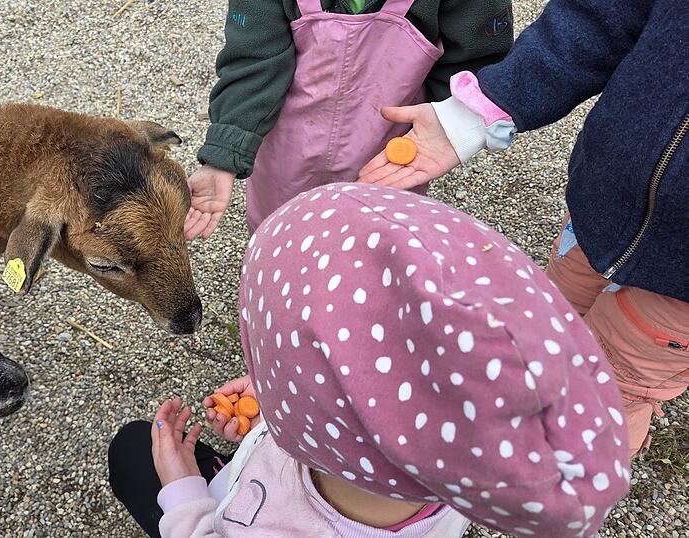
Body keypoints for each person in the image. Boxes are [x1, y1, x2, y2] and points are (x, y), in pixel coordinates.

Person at [110, 183, 630, 537]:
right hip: (279, 462)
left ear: (320, 419)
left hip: (224, 513)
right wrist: (272, 421)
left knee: (133, 451)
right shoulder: (462, 464)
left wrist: (183, 494)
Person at [358, 0, 689, 458]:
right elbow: (598, 16)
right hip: (600, 210)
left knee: (613, 390)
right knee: (548, 326)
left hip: (679, 285)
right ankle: (523, 415)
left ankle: (574, 480)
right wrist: (470, 115)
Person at [182, 0, 514, 240]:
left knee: (374, 238)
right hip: (287, 154)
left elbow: (476, 60)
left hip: (389, 149)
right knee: (285, 234)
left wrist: (451, 122)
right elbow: (252, 62)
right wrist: (223, 155)